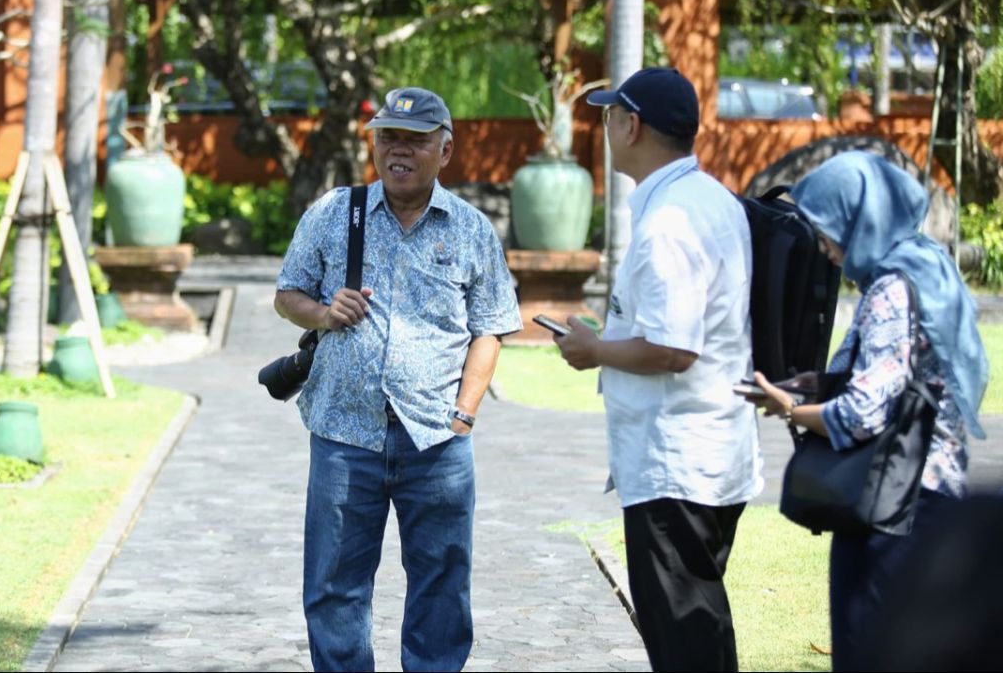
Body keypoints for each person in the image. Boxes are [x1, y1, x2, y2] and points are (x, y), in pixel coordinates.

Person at [274, 86, 521, 671]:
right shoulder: (336, 212)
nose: (399, 151)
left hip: (435, 440)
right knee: (334, 588)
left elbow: (490, 328)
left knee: (441, 586)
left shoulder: (470, 229)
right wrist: (323, 312)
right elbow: (288, 294)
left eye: (415, 140)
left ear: (446, 149)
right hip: (342, 434)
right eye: (388, 137)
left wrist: (464, 414)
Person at [554, 67, 762, 671]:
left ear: (632, 124)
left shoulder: (670, 221)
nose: (607, 126)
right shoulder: (711, 198)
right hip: (709, 448)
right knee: (700, 623)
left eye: (610, 114)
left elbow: (674, 348)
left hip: (676, 462)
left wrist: (594, 350)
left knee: (683, 640)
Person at [748, 151, 989, 672]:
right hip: (934, 491)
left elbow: (863, 412)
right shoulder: (929, 266)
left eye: (829, 228)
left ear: (860, 220)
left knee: (868, 651)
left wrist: (788, 406)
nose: (824, 245)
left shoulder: (889, 289)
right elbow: (909, 373)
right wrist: (819, 384)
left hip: (893, 505)